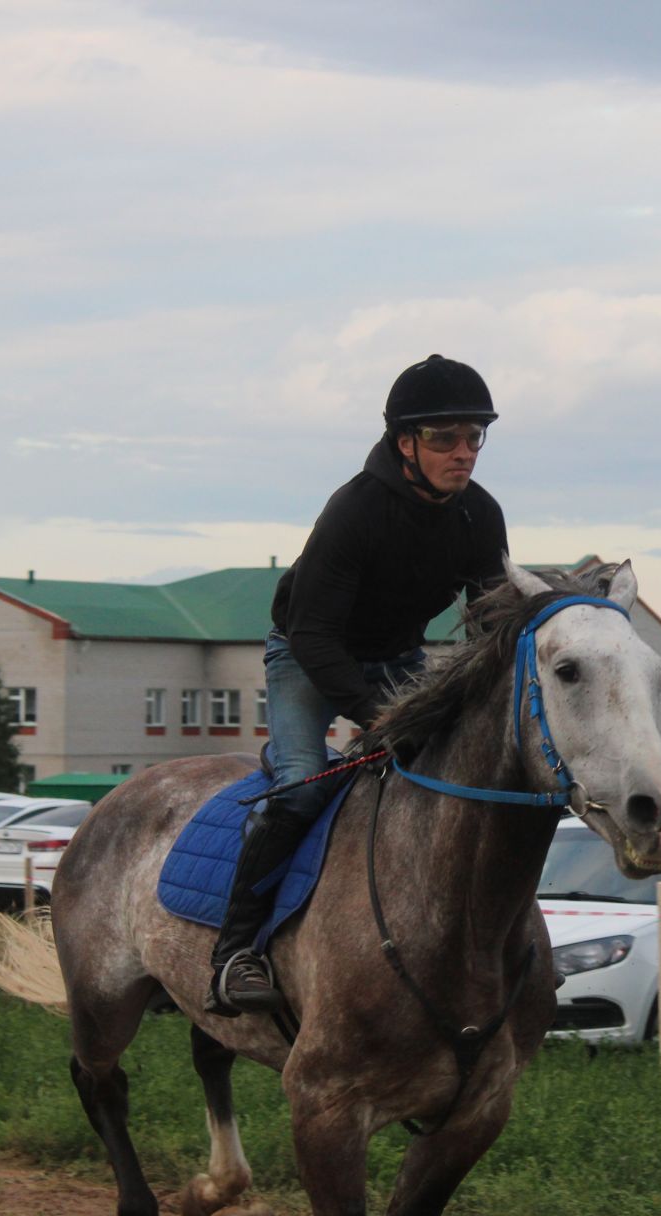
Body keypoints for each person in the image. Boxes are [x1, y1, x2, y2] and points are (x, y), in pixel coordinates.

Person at [207, 354, 509, 1016]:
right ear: (405, 443)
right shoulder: (355, 511)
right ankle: (235, 952)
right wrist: (381, 716)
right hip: (308, 655)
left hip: (397, 654)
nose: (463, 453)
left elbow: (490, 624)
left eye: (473, 437)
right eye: (444, 439)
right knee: (302, 786)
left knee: (443, 778)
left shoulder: (479, 516)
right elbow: (315, 636)